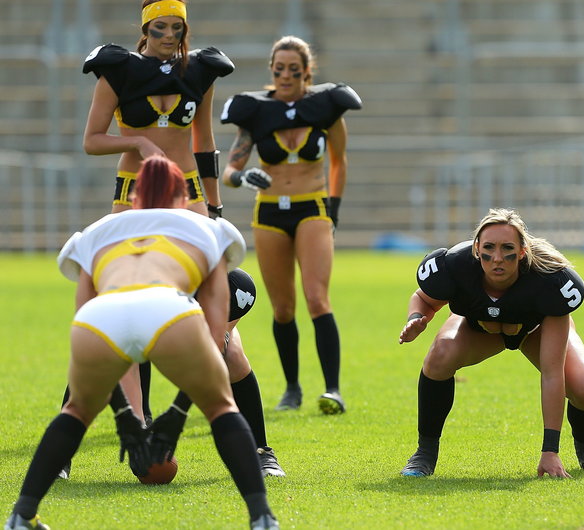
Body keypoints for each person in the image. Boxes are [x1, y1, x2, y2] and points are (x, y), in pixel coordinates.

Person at [3, 156, 279, 530]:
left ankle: (21, 515)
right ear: (183, 197)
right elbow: (216, 336)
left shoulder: (97, 232)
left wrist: (123, 418)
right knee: (220, 406)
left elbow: (88, 315)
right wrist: (178, 415)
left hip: (100, 320)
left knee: (75, 412)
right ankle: (262, 518)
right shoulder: (207, 229)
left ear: (133, 197)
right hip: (168, 308)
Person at [79, 0, 283, 478]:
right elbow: (92, 139)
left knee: (217, 317)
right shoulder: (117, 69)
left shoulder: (202, 70)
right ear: (145, 30)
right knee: (122, 312)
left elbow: (204, 143)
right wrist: (138, 142)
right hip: (134, 196)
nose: (169, 35)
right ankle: (128, 428)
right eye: (160, 27)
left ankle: (260, 450)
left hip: (188, 195)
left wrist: (212, 206)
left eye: (177, 27)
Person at [397, 208, 584, 478]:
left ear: (523, 251)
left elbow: (551, 372)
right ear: (477, 249)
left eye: (507, 248)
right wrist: (417, 318)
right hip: (480, 330)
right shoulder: (456, 265)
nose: (497, 258)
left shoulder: (549, 279)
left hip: (536, 330)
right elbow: (425, 298)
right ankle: (424, 453)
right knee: (440, 354)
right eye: (489, 248)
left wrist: (550, 450)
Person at [220, 35, 362, 414]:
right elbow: (229, 171)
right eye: (279, 69)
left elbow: (338, 161)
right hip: (268, 212)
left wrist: (334, 209)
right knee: (282, 307)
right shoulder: (255, 110)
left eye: (293, 70)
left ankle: (332, 389)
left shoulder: (327, 106)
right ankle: (292, 388)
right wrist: (244, 177)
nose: (285, 76)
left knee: (317, 297)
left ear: (307, 72)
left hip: (311, 206)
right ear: (271, 70)